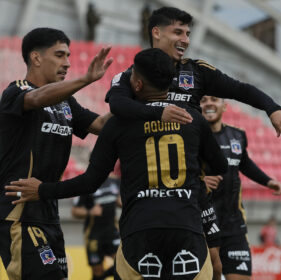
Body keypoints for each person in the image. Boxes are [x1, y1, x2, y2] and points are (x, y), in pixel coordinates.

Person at [7, 48, 228, 280]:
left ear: (138, 85)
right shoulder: (193, 119)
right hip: (186, 228)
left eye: (132, 77)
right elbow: (219, 166)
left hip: (139, 231)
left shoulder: (119, 124)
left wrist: (42, 190)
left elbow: (90, 182)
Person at [0, 27, 113, 280]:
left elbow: (103, 126)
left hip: (48, 211)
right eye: (60, 55)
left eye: (69, 56)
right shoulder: (15, 91)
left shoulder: (66, 103)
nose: (68, 63)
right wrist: (85, 79)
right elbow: (37, 98)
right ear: (36, 58)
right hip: (19, 212)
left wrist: (134, 98)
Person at [105, 6, 281, 142]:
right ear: (156, 33)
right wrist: (160, 112)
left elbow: (241, 89)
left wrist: (272, 109)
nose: (185, 40)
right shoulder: (132, 75)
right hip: (144, 176)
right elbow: (118, 105)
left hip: (191, 180)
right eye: (178, 32)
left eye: (187, 34)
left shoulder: (198, 71)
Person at [200, 95, 281, 280]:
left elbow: (244, 163)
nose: (209, 104)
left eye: (214, 99)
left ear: (224, 106)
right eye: (203, 100)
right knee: (211, 274)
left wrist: (268, 181)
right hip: (202, 224)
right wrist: (200, 182)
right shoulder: (191, 137)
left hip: (233, 224)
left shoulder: (237, 135)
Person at [71, 171, 121, 280]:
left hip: (113, 232)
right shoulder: (87, 184)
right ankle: (101, 276)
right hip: (94, 234)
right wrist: (90, 212)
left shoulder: (115, 181)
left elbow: (119, 200)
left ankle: (106, 274)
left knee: (121, 264)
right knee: (97, 271)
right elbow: (75, 211)